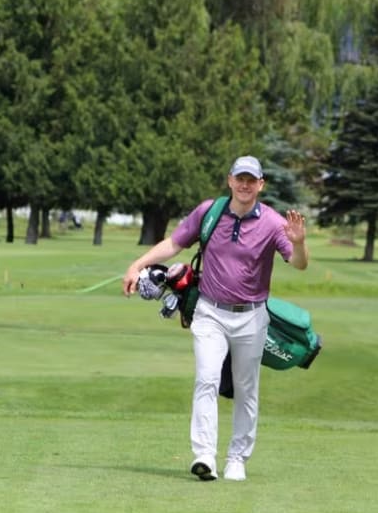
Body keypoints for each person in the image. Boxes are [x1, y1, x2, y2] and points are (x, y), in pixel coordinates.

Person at [122, 155, 308, 482]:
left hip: (251, 316)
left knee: (246, 388)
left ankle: (237, 458)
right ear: (230, 180)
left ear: (261, 184)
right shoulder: (210, 211)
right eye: (240, 178)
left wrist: (300, 243)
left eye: (252, 180)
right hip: (209, 312)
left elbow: (299, 263)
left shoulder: (273, 222)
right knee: (206, 378)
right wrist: (137, 265)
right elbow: (173, 244)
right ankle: (205, 455)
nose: (245, 184)